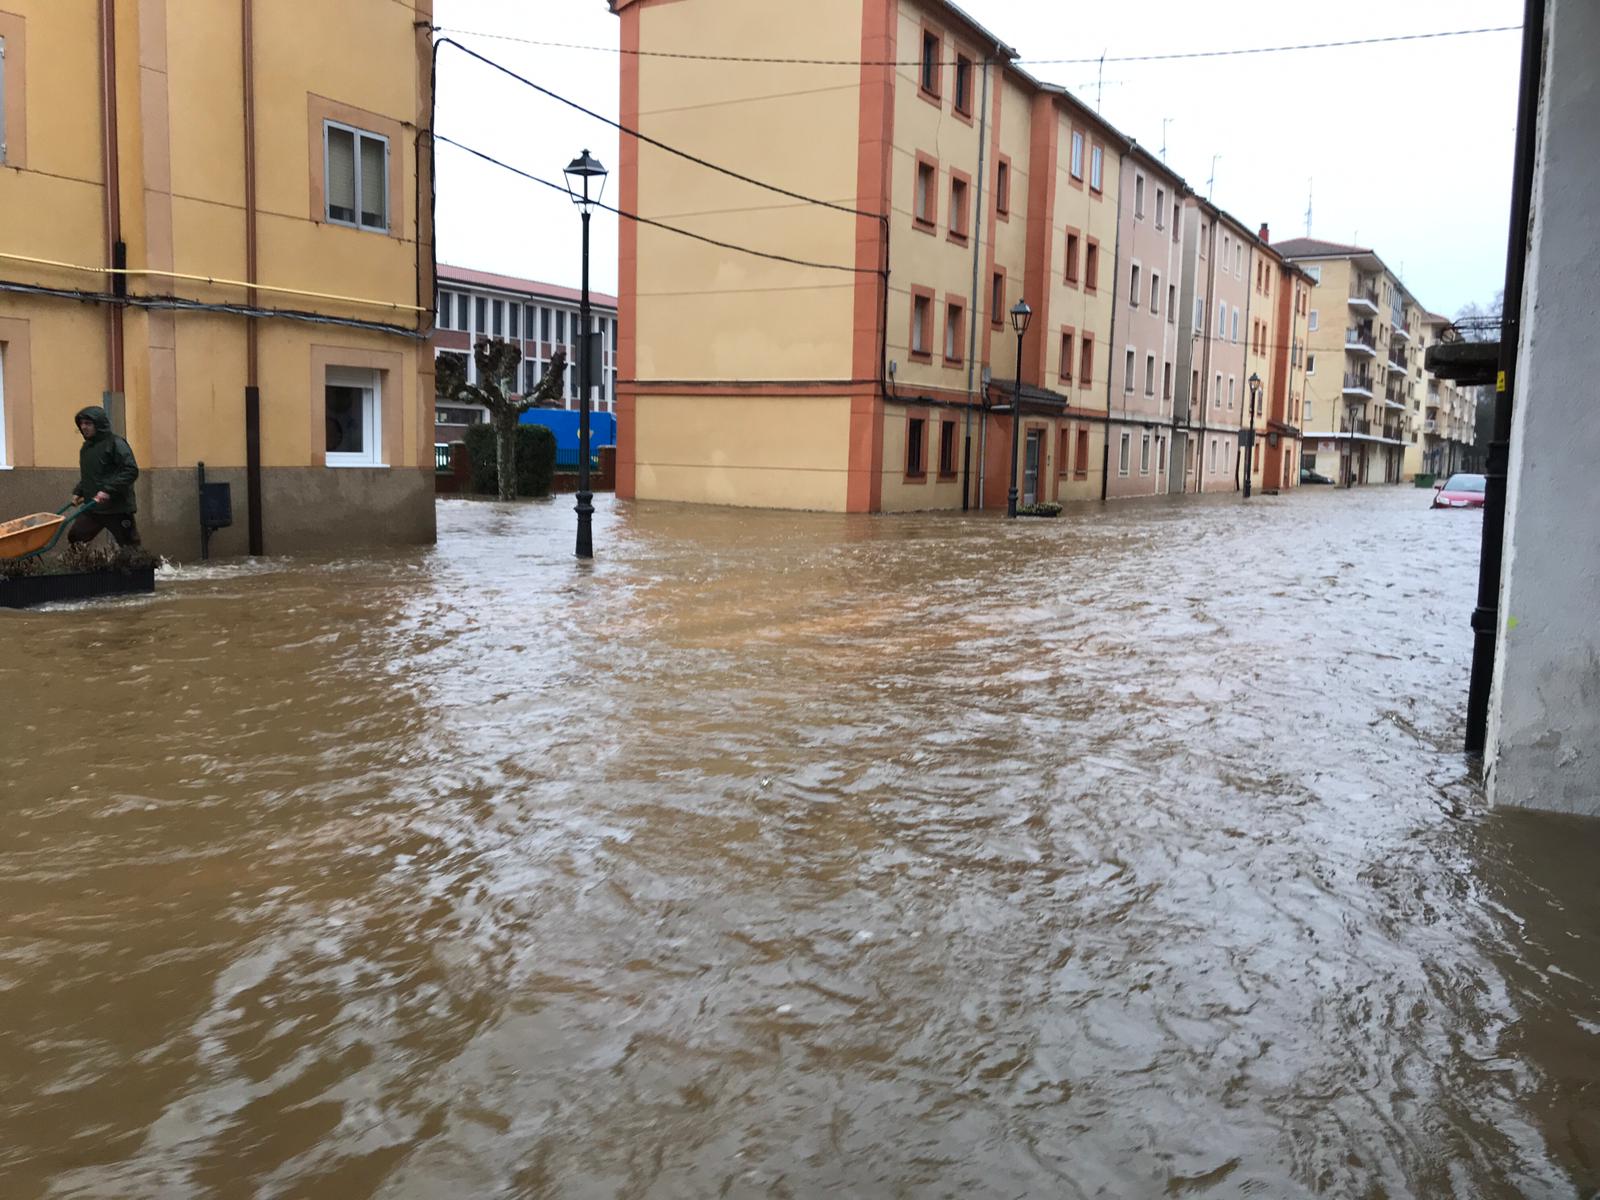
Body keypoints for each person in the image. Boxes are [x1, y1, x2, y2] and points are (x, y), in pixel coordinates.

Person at [68, 406, 142, 547]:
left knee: (129, 544)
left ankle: (137, 567)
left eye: (88, 424)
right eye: (82, 424)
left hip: (117, 507)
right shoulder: (87, 448)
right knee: (76, 536)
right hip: (94, 506)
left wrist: (108, 490)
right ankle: (85, 565)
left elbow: (130, 470)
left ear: (99, 425)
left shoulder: (115, 444)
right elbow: (90, 474)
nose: (84, 427)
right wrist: (79, 492)